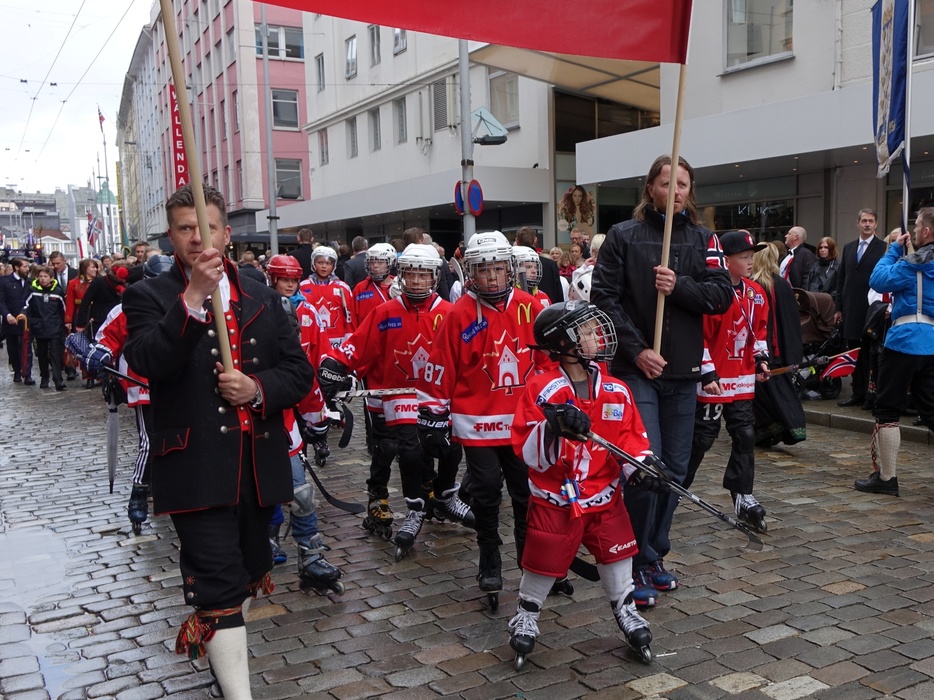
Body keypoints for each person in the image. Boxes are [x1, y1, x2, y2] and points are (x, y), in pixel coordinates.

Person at [122, 184, 314, 699]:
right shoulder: (148, 295)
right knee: (218, 580)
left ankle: (222, 655)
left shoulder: (261, 295)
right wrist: (190, 299)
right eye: (185, 228)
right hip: (195, 467)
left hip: (258, 465)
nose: (196, 238)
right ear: (171, 236)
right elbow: (147, 361)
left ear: (226, 234)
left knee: (251, 571)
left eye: (206, 228)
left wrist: (257, 389)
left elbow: (298, 372)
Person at [590, 154, 733, 608]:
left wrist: (680, 285)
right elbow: (603, 300)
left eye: (683, 184)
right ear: (650, 187)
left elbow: (722, 296)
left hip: (683, 374)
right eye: (667, 183)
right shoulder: (622, 236)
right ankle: (631, 560)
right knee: (645, 466)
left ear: (691, 192)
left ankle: (653, 553)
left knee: (675, 469)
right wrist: (637, 350)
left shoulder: (704, 239)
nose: (675, 192)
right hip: (638, 372)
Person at [508, 300, 663, 667]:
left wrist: (642, 467)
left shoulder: (616, 389)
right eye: (588, 332)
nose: (597, 337)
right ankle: (527, 612)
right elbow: (526, 447)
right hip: (556, 498)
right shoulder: (542, 389)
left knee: (617, 551)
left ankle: (625, 608)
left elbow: (629, 439)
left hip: (604, 495)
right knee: (543, 559)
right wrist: (552, 427)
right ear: (563, 342)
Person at [417, 230, 553, 610]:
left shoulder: (532, 307)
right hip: (476, 422)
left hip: (523, 423)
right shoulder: (458, 313)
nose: (491, 278)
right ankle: (489, 555)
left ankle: (531, 561)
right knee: (487, 489)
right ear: (471, 273)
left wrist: (556, 401)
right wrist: (432, 414)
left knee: (525, 494)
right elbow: (440, 366)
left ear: (509, 269)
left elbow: (548, 362)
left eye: (497, 269)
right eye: (482, 270)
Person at [320, 244, 474, 556]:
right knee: (408, 451)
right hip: (398, 396)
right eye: (411, 274)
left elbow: (468, 354)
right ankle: (414, 509)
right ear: (401, 275)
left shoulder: (449, 312)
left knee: (450, 448)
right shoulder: (385, 312)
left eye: (423, 275)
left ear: (434, 278)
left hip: (438, 397)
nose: (416, 281)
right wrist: (335, 365)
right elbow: (358, 344)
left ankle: (445, 496)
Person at [686, 231, 771, 533]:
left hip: (742, 378)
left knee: (745, 435)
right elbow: (698, 335)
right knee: (702, 438)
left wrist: (761, 359)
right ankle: (675, 486)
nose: (750, 262)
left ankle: (742, 493)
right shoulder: (712, 293)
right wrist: (707, 371)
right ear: (726, 261)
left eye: (751, 256)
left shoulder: (756, 293)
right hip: (715, 378)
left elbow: (759, 331)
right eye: (744, 257)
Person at [85, 255, 174, 532]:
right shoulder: (128, 307)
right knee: (149, 440)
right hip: (142, 380)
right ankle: (139, 491)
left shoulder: (188, 301)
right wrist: (101, 354)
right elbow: (106, 337)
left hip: (178, 380)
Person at [854, 212, 934, 495]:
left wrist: (894, 250)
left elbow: (878, 280)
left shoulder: (912, 264)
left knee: (887, 409)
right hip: (931, 343)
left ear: (926, 232)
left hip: (903, 342)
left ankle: (887, 478)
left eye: (917, 227)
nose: (915, 230)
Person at [750, 243, 806, 447]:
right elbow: (792, 322)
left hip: (762, 350)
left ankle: (775, 428)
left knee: (764, 392)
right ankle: (773, 429)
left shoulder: (753, 286)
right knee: (776, 390)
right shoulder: (782, 284)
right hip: (779, 349)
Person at [835, 209, 886, 408]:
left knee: (869, 353)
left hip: (871, 309)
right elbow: (842, 280)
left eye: (871, 221)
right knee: (854, 352)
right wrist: (838, 308)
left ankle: (869, 394)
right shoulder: (848, 248)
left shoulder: (882, 248)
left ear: (876, 224)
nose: (867, 224)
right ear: (857, 223)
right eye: (864, 221)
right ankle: (857, 392)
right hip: (850, 309)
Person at [299, 246, 354, 348]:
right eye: (320, 262)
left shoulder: (342, 287)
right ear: (313, 263)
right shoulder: (303, 286)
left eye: (328, 263)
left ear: (333, 265)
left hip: (337, 340)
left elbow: (349, 316)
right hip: (312, 338)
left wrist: (349, 338)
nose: (324, 266)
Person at [23, 265, 67, 390]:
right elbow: (26, 305)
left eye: (45, 276)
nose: (43, 279)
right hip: (39, 327)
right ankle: (44, 378)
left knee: (55, 354)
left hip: (54, 326)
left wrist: (66, 323)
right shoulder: (33, 290)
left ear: (51, 278)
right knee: (42, 354)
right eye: (41, 276)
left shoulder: (57, 291)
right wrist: (23, 314)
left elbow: (63, 309)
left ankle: (58, 380)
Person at [0, 257, 35, 384]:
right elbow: (1, 301)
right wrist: (7, 315)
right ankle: (17, 371)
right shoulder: (5, 282)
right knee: (13, 348)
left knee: (27, 348)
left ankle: (27, 373)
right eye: (24, 266)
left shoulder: (30, 282)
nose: (27, 269)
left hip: (26, 321)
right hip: (11, 321)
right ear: (16, 267)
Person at [75, 262, 132, 339]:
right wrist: (81, 324)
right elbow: (85, 302)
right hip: (99, 323)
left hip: (120, 324)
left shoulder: (128, 285)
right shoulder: (99, 282)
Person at [350, 243, 396, 326]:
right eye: (371, 262)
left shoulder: (400, 287)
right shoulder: (361, 288)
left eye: (380, 262)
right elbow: (352, 321)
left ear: (391, 263)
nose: (375, 266)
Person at [515, 226, 563, 304]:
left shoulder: (511, 265)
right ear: (535, 240)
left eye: (535, 267)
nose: (534, 271)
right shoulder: (550, 265)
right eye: (528, 267)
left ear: (517, 241)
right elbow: (559, 298)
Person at [804, 236, 840, 302]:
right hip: (813, 300)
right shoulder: (815, 265)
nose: (822, 250)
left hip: (829, 301)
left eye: (826, 247)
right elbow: (808, 284)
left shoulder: (838, 266)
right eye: (820, 247)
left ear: (832, 249)